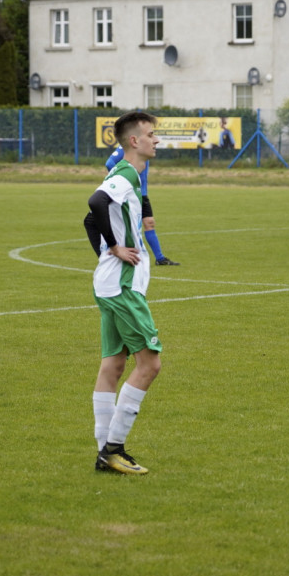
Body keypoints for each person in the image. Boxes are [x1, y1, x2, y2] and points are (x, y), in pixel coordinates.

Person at [86, 111, 163, 475]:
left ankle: (104, 451)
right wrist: (115, 247)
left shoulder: (125, 174)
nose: (156, 140)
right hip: (122, 286)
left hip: (109, 283)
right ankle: (113, 450)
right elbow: (95, 204)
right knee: (149, 365)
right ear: (134, 141)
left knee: (113, 365)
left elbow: (90, 222)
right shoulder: (128, 173)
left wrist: (105, 254)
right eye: (150, 134)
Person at [103, 143, 179, 266]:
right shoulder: (126, 146)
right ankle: (115, 254)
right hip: (131, 194)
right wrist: (122, 179)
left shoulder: (143, 146)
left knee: (149, 223)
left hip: (142, 194)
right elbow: (109, 163)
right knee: (130, 227)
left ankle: (160, 259)